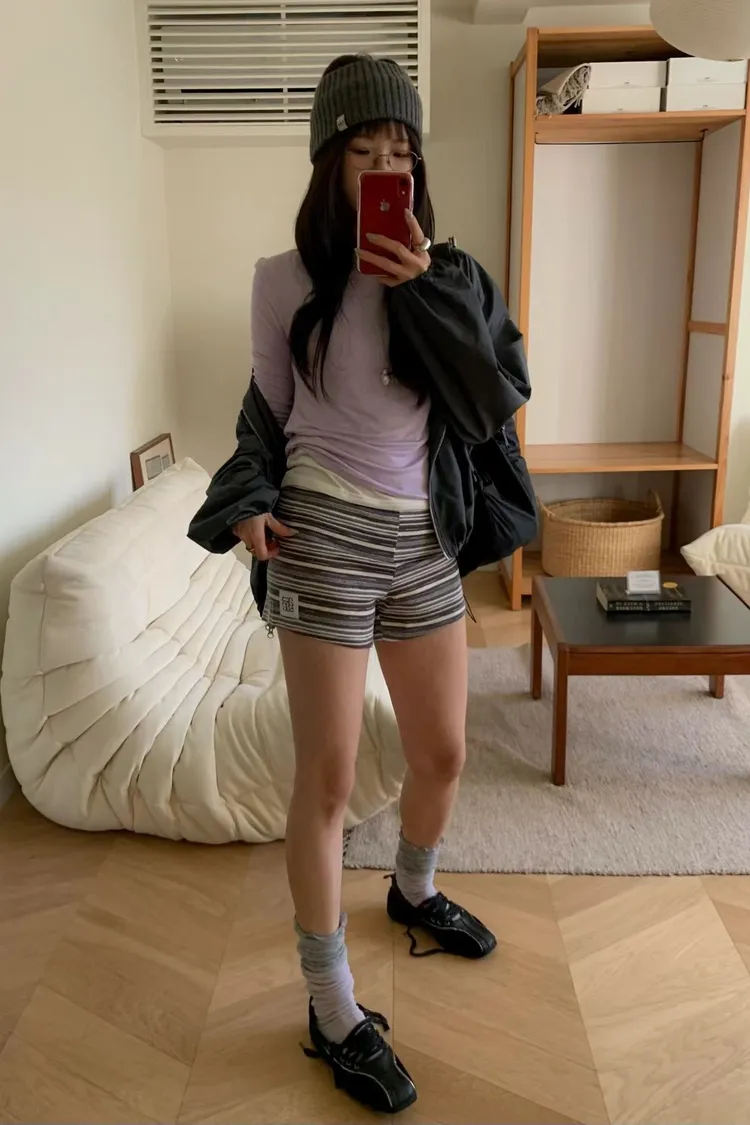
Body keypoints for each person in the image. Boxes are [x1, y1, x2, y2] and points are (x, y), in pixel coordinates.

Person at [189, 54, 534, 1116]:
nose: (388, 165)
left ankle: (414, 889)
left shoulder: (453, 274)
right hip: (323, 533)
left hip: (422, 534)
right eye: (364, 150)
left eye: (402, 150)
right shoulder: (282, 279)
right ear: (328, 163)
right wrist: (248, 500)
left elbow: (492, 401)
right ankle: (331, 1005)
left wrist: (421, 286)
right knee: (329, 780)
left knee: (444, 750)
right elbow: (266, 414)